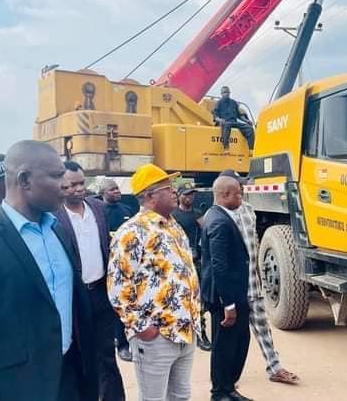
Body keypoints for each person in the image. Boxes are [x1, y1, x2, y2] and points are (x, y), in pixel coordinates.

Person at [0, 140, 98, 401]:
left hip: (70, 378)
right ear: (24, 180)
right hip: (17, 387)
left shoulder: (57, 231)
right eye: (56, 175)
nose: (66, 183)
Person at [107, 164, 201, 401]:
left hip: (185, 330)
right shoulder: (131, 232)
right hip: (156, 337)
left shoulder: (174, 225)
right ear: (149, 196)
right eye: (168, 188)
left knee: (180, 396)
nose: (175, 192)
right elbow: (118, 288)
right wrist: (143, 328)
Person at [219, 169, 300, 384]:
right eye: (237, 187)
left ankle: (275, 368)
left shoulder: (248, 210)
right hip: (233, 288)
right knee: (233, 335)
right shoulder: (220, 216)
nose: (241, 191)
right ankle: (227, 379)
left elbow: (253, 243)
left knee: (262, 327)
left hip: (253, 284)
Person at [55, 161, 125, 401]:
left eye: (81, 183)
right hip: (74, 297)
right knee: (79, 355)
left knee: (106, 353)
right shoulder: (52, 215)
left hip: (100, 292)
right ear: (59, 185)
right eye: (70, 185)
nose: (77, 189)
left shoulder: (97, 208)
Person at [201, 175, 252, 401]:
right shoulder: (219, 221)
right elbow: (219, 266)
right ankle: (221, 392)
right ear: (225, 195)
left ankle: (227, 388)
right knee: (226, 345)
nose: (241, 196)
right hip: (226, 295)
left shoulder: (217, 216)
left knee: (236, 341)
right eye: (238, 193)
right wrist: (229, 304)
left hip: (230, 292)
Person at [172, 184, 212, 352]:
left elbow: (208, 230)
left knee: (198, 298)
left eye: (192, 195)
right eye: (187, 194)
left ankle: (201, 333)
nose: (190, 197)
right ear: (180, 196)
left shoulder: (197, 214)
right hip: (177, 263)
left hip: (195, 262)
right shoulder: (173, 215)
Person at [98, 178, 135, 362]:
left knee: (125, 304)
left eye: (117, 188)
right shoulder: (100, 213)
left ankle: (126, 341)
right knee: (112, 307)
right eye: (112, 190)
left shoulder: (127, 211)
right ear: (103, 193)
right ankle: (120, 344)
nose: (117, 191)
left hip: (127, 266)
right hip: (107, 267)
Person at [213, 86, 254, 153]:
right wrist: (220, 120)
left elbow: (239, 115)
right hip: (225, 122)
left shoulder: (234, 103)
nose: (226, 93)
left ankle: (251, 149)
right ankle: (226, 148)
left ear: (229, 93)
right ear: (221, 94)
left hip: (234, 122)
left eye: (227, 92)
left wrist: (246, 120)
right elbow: (215, 116)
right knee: (226, 125)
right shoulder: (218, 103)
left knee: (249, 128)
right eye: (224, 92)